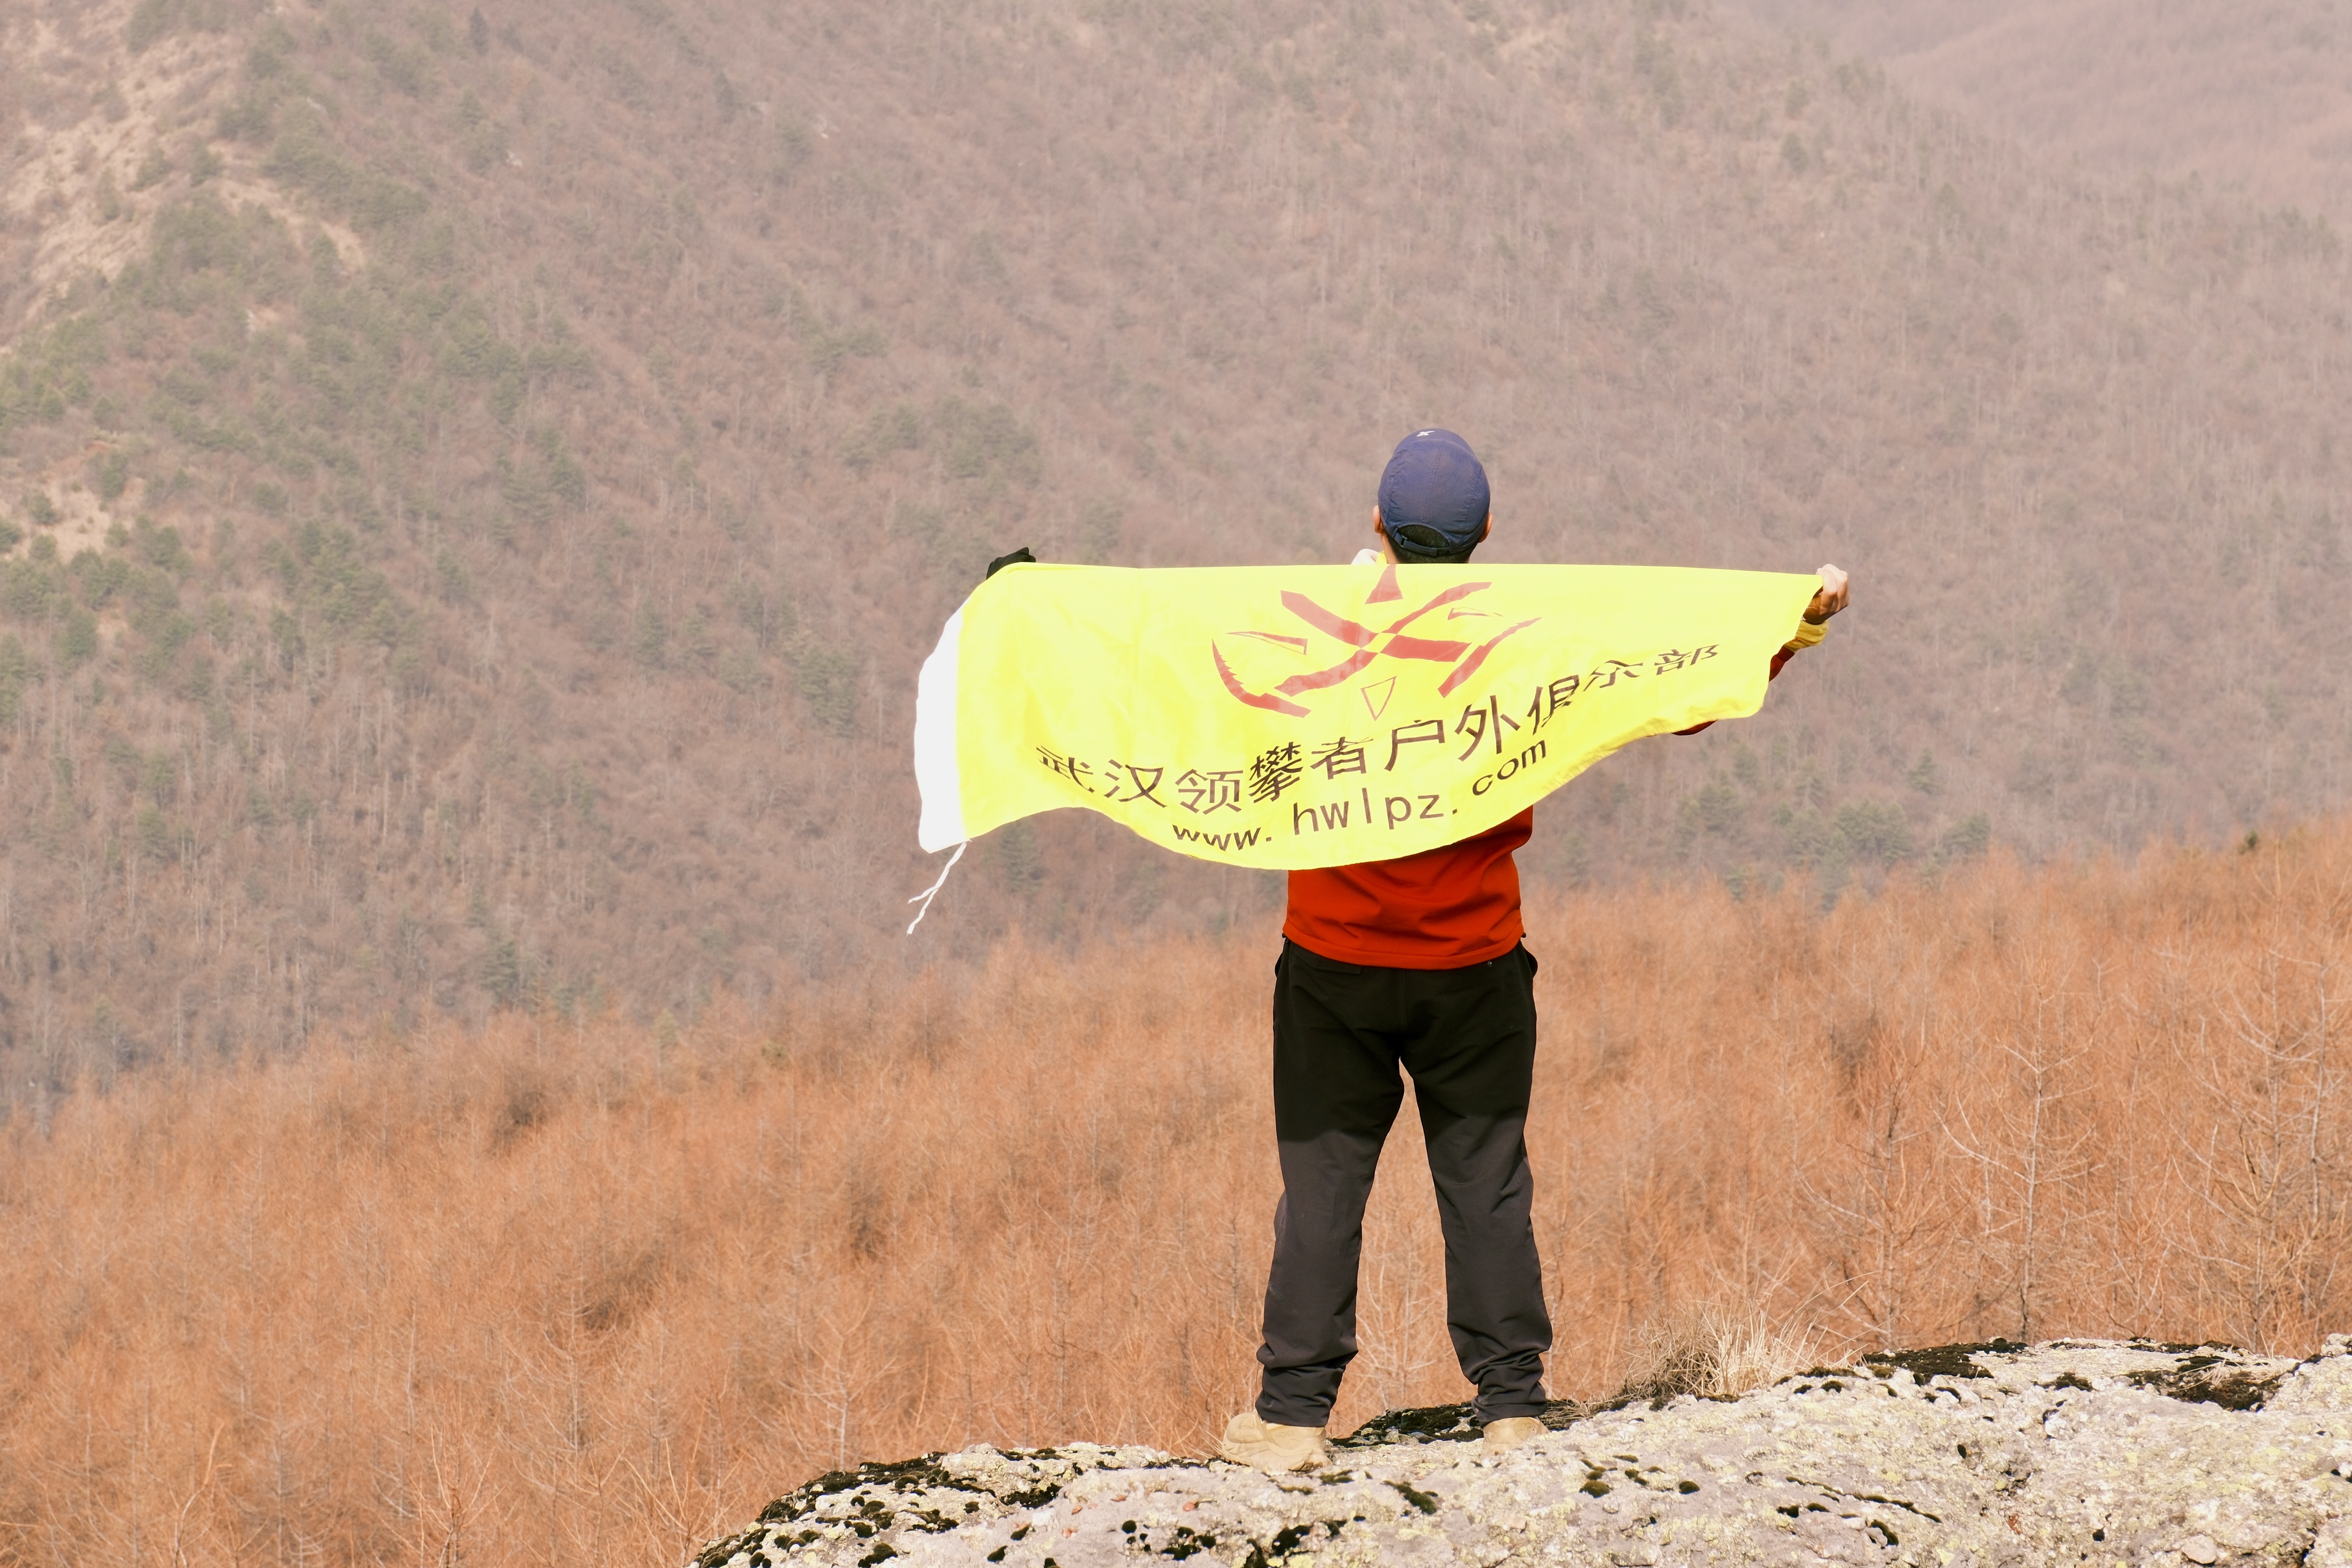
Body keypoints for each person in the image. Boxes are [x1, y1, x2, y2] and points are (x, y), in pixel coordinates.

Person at [1216, 428, 1850, 1473]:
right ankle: (1511, 1407)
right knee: (1486, 1180)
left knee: (1323, 1184)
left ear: (1378, 523)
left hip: (1333, 965)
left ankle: (1291, 1421)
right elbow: (1669, 688)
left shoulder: (1312, 634)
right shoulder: (1523, 640)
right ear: (1486, 534)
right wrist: (1792, 626)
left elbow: (1174, 692)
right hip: (1474, 966)